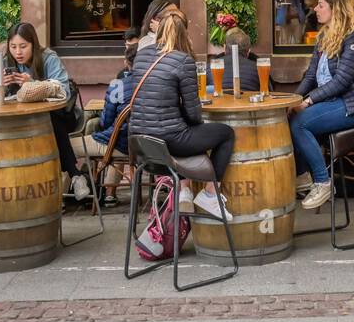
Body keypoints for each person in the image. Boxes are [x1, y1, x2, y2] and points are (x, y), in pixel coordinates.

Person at [129, 12, 234, 220]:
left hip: (141, 146)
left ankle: (184, 191)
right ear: (183, 35)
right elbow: (194, 115)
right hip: (168, 144)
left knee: (186, 130)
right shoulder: (183, 60)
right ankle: (211, 193)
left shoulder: (141, 56)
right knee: (226, 133)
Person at [289, 0, 354, 210]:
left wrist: (307, 101)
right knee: (289, 116)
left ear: (335, 9)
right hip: (331, 103)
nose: (315, 9)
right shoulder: (324, 37)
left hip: (351, 106)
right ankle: (302, 175)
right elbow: (310, 75)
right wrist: (293, 100)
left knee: (300, 123)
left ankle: (322, 181)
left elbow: (342, 82)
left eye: (321, 5)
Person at [2, 22, 90, 203]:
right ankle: (74, 175)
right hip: (25, 121)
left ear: (33, 44)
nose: (18, 52)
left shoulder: (48, 57)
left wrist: (33, 82)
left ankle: (73, 176)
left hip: (63, 116)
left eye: (23, 46)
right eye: (13, 47)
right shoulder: (6, 62)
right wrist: (2, 86)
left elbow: (63, 91)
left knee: (48, 118)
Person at [72, 41, 137, 208]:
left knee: (63, 146)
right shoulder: (157, 85)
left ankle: (63, 195)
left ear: (126, 63)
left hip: (118, 145)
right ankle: (106, 190)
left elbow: (106, 121)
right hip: (147, 146)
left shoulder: (118, 85)